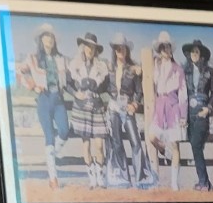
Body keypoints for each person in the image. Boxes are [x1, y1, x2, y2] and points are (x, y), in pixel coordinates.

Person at [16, 23, 70, 188]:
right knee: (49, 137)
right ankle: (53, 179)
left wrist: (78, 93)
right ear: (41, 39)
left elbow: (70, 78)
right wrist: (33, 86)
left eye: (51, 36)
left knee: (64, 130)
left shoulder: (61, 59)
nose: (49, 39)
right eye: (46, 36)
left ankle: (50, 155)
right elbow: (19, 72)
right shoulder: (33, 58)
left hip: (58, 98)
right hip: (44, 99)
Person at [105, 33, 155, 188]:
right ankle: (123, 177)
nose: (120, 51)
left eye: (123, 48)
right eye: (118, 48)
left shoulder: (133, 69)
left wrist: (135, 104)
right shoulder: (109, 68)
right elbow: (103, 86)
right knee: (116, 142)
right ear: (114, 51)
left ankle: (140, 177)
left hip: (127, 109)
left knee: (135, 141)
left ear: (127, 50)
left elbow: (139, 91)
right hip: (113, 108)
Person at [68, 32, 110, 188]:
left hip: (96, 106)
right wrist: (75, 93)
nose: (90, 49)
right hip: (81, 107)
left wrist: (99, 93)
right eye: (87, 46)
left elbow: (106, 87)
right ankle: (92, 179)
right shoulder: (75, 64)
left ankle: (101, 177)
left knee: (99, 145)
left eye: (93, 47)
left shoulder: (102, 67)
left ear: (96, 50)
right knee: (86, 144)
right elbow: (67, 84)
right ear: (83, 47)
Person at [148, 30, 187, 190]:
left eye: (167, 47)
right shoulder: (156, 67)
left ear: (171, 49)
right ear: (159, 49)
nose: (165, 50)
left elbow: (183, 93)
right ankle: (165, 151)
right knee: (151, 136)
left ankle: (174, 183)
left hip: (173, 107)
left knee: (175, 144)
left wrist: (183, 115)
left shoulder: (178, 69)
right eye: (162, 47)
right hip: (159, 106)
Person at [182, 39, 213, 191]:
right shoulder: (185, 71)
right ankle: (204, 181)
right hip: (188, 111)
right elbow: (181, 92)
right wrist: (183, 114)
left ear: (202, 54)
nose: (194, 54)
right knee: (194, 145)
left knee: (197, 144)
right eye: (192, 52)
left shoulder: (209, 71)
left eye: (197, 52)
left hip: (202, 110)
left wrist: (208, 108)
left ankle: (204, 181)